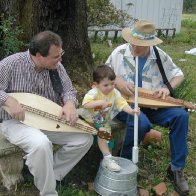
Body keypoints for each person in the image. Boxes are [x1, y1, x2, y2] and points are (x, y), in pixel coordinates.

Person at [0, 31, 93, 196]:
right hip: (17, 122)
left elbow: (68, 90)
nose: (60, 60)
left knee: (84, 139)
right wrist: (8, 100)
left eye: (61, 54)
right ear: (38, 56)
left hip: (49, 120)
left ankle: (51, 174)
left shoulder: (56, 67)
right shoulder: (11, 64)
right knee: (41, 144)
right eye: (56, 56)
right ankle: (49, 192)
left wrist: (70, 103)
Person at [106, 20, 189, 195]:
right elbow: (104, 74)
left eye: (140, 47)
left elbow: (178, 74)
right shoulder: (119, 53)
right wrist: (118, 81)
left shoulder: (159, 55)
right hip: (125, 104)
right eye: (133, 44)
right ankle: (125, 164)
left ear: (149, 44)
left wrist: (167, 88)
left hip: (153, 105)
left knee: (181, 116)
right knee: (140, 122)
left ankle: (176, 169)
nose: (135, 49)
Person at [80, 65, 140, 172]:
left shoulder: (114, 93)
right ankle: (108, 158)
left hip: (102, 119)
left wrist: (131, 111)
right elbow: (85, 104)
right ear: (96, 85)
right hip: (89, 118)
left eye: (112, 84)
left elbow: (121, 103)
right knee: (104, 133)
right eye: (106, 85)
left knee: (108, 138)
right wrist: (99, 102)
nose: (110, 87)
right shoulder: (94, 92)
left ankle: (108, 157)